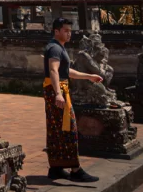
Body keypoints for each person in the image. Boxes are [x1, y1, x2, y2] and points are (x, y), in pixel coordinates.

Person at [44, 17, 102, 183]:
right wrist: (58, 94)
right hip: (57, 90)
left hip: (59, 89)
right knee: (69, 129)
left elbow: (66, 71)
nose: (69, 34)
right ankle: (75, 169)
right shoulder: (54, 48)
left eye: (70, 31)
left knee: (57, 130)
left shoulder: (58, 48)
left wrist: (88, 76)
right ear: (56, 31)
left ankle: (56, 167)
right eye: (66, 31)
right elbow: (54, 71)